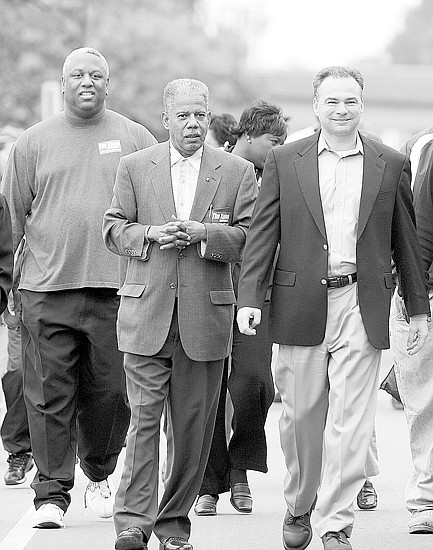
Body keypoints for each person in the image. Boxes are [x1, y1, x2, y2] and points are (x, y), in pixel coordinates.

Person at [236, 65, 430, 550]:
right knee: (301, 416)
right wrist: (249, 297)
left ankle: (335, 522)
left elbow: (404, 240)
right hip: (299, 301)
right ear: (316, 107)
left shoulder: (389, 161)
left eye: (351, 102)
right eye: (332, 102)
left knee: (352, 421)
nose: (342, 110)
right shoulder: (287, 159)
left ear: (361, 106)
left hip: (362, 302)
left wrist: (418, 308)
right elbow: (263, 234)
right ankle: (300, 501)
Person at [1, 47, 156, 529]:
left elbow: (154, 206)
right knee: (47, 394)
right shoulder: (32, 142)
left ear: (108, 84)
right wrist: (10, 286)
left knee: (110, 391)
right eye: (77, 75)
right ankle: (50, 492)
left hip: (118, 290)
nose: (86, 82)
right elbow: (13, 219)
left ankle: (100, 473)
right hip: (46, 289)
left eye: (96, 75)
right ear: (62, 82)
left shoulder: (134, 137)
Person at [102, 78, 257, 550]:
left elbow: (251, 237)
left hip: (205, 320)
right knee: (144, 421)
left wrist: (205, 234)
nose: (193, 124)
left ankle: (173, 526)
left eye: (200, 115)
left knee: (192, 432)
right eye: (183, 115)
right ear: (165, 118)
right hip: (146, 314)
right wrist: (149, 234)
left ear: (209, 118)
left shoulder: (236, 171)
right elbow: (113, 229)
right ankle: (132, 522)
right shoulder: (134, 167)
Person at [194, 99, 286, 517]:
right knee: (208, 391)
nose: (280, 146)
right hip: (208, 294)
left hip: (259, 299)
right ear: (247, 135)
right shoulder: (212, 171)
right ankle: (212, 481)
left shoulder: (280, 176)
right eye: (274, 139)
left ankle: (241, 465)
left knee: (254, 385)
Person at [389, 128, 433, 534]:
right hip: (426, 290)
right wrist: (414, 297)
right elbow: (421, 230)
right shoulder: (428, 147)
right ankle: (427, 498)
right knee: (424, 400)